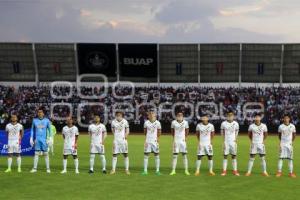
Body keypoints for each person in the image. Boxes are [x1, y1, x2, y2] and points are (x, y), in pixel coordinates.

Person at [30, 107, 52, 173]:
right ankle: (34, 168)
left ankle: (48, 168)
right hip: (37, 139)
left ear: (43, 113)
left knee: (46, 153)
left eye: (41, 112)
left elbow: (50, 130)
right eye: (39, 112)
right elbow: (32, 129)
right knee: (36, 153)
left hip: (44, 139)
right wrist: (31, 138)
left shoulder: (47, 120)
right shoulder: (34, 120)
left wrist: (50, 138)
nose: (40, 113)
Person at [170, 111, 190, 176]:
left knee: (184, 155)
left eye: (181, 115)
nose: (180, 116)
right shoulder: (173, 122)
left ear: (182, 116)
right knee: (175, 156)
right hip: (176, 141)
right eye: (178, 115)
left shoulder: (185, 122)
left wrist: (185, 137)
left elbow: (187, 130)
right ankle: (173, 170)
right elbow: (172, 131)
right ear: (176, 116)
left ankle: (186, 170)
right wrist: (175, 138)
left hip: (183, 141)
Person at [142, 110, 162, 175]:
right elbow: (145, 132)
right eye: (150, 114)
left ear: (155, 115)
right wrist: (148, 138)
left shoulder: (158, 123)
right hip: (148, 141)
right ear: (148, 116)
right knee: (146, 155)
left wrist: (157, 138)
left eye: (152, 114)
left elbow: (159, 132)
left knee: (157, 155)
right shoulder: (146, 123)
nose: (151, 115)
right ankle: (145, 171)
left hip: (155, 142)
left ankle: (157, 170)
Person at [220, 112, 240, 176]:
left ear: (233, 116)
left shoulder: (236, 123)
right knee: (225, 156)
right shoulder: (223, 123)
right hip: (226, 142)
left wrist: (235, 139)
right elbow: (222, 132)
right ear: (227, 116)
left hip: (233, 142)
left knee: (234, 156)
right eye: (229, 115)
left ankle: (235, 171)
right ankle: (224, 171)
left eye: (231, 116)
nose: (230, 117)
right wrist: (223, 139)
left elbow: (237, 131)